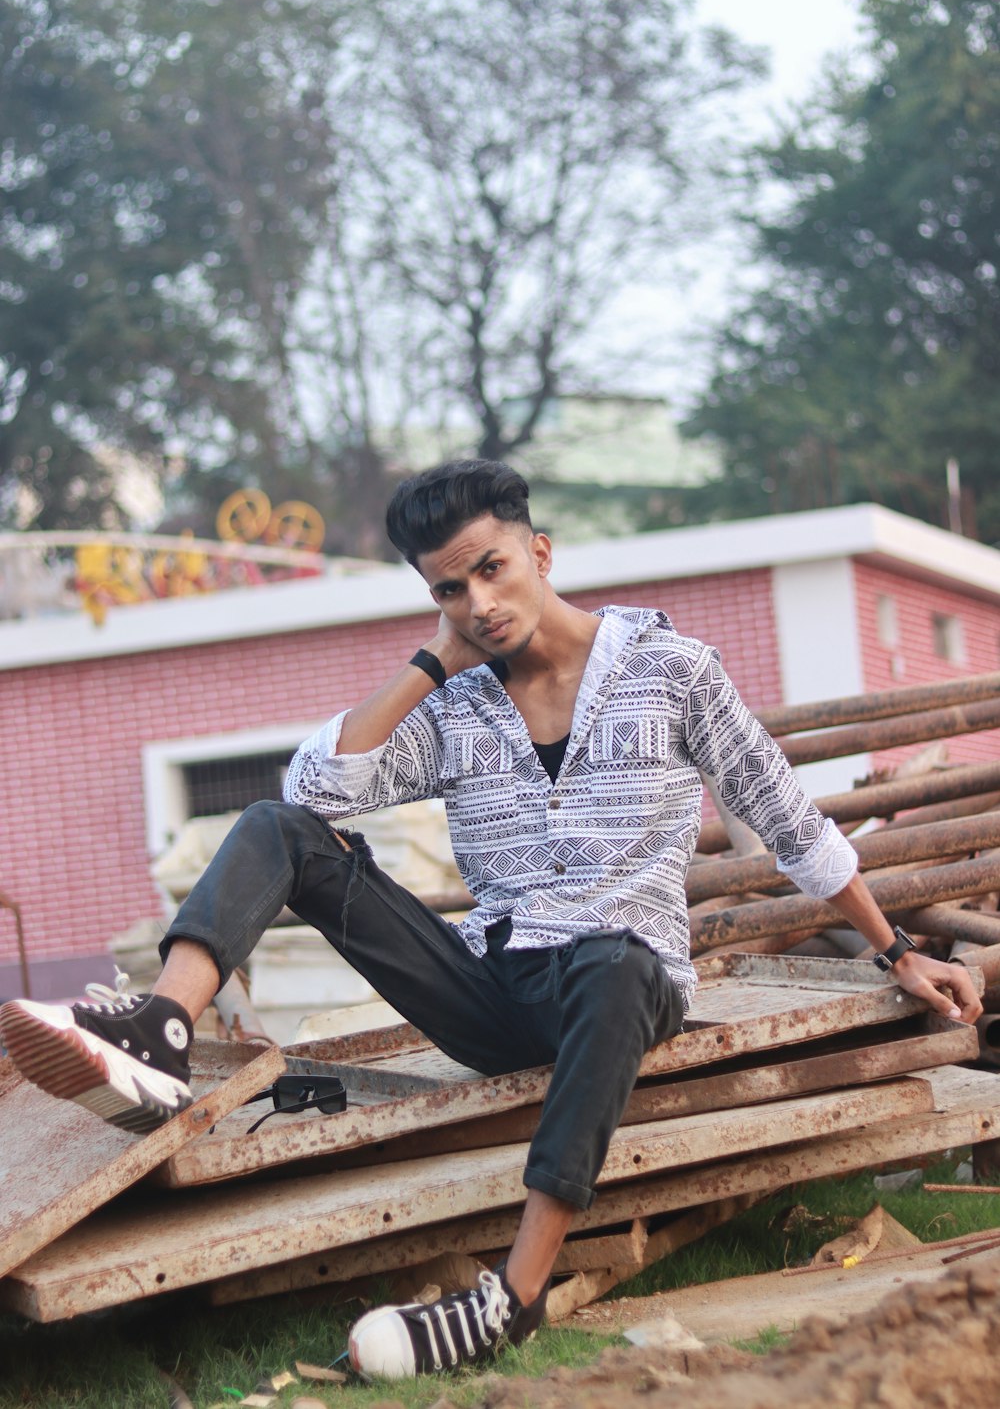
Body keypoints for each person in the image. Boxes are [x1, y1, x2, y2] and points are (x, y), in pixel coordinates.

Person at [0, 459, 982, 1379]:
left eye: (490, 570)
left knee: (620, 961)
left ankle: (510, 1295)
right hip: (490, 992)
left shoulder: (671, 670)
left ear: (539, 553)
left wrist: (894, 949)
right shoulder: (457, 705)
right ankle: (161, 1031)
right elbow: (315, 789)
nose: (479, 601)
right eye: (447, 589)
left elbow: (786, 818)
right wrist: (433, 661)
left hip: (620, 989)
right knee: (275, 825)